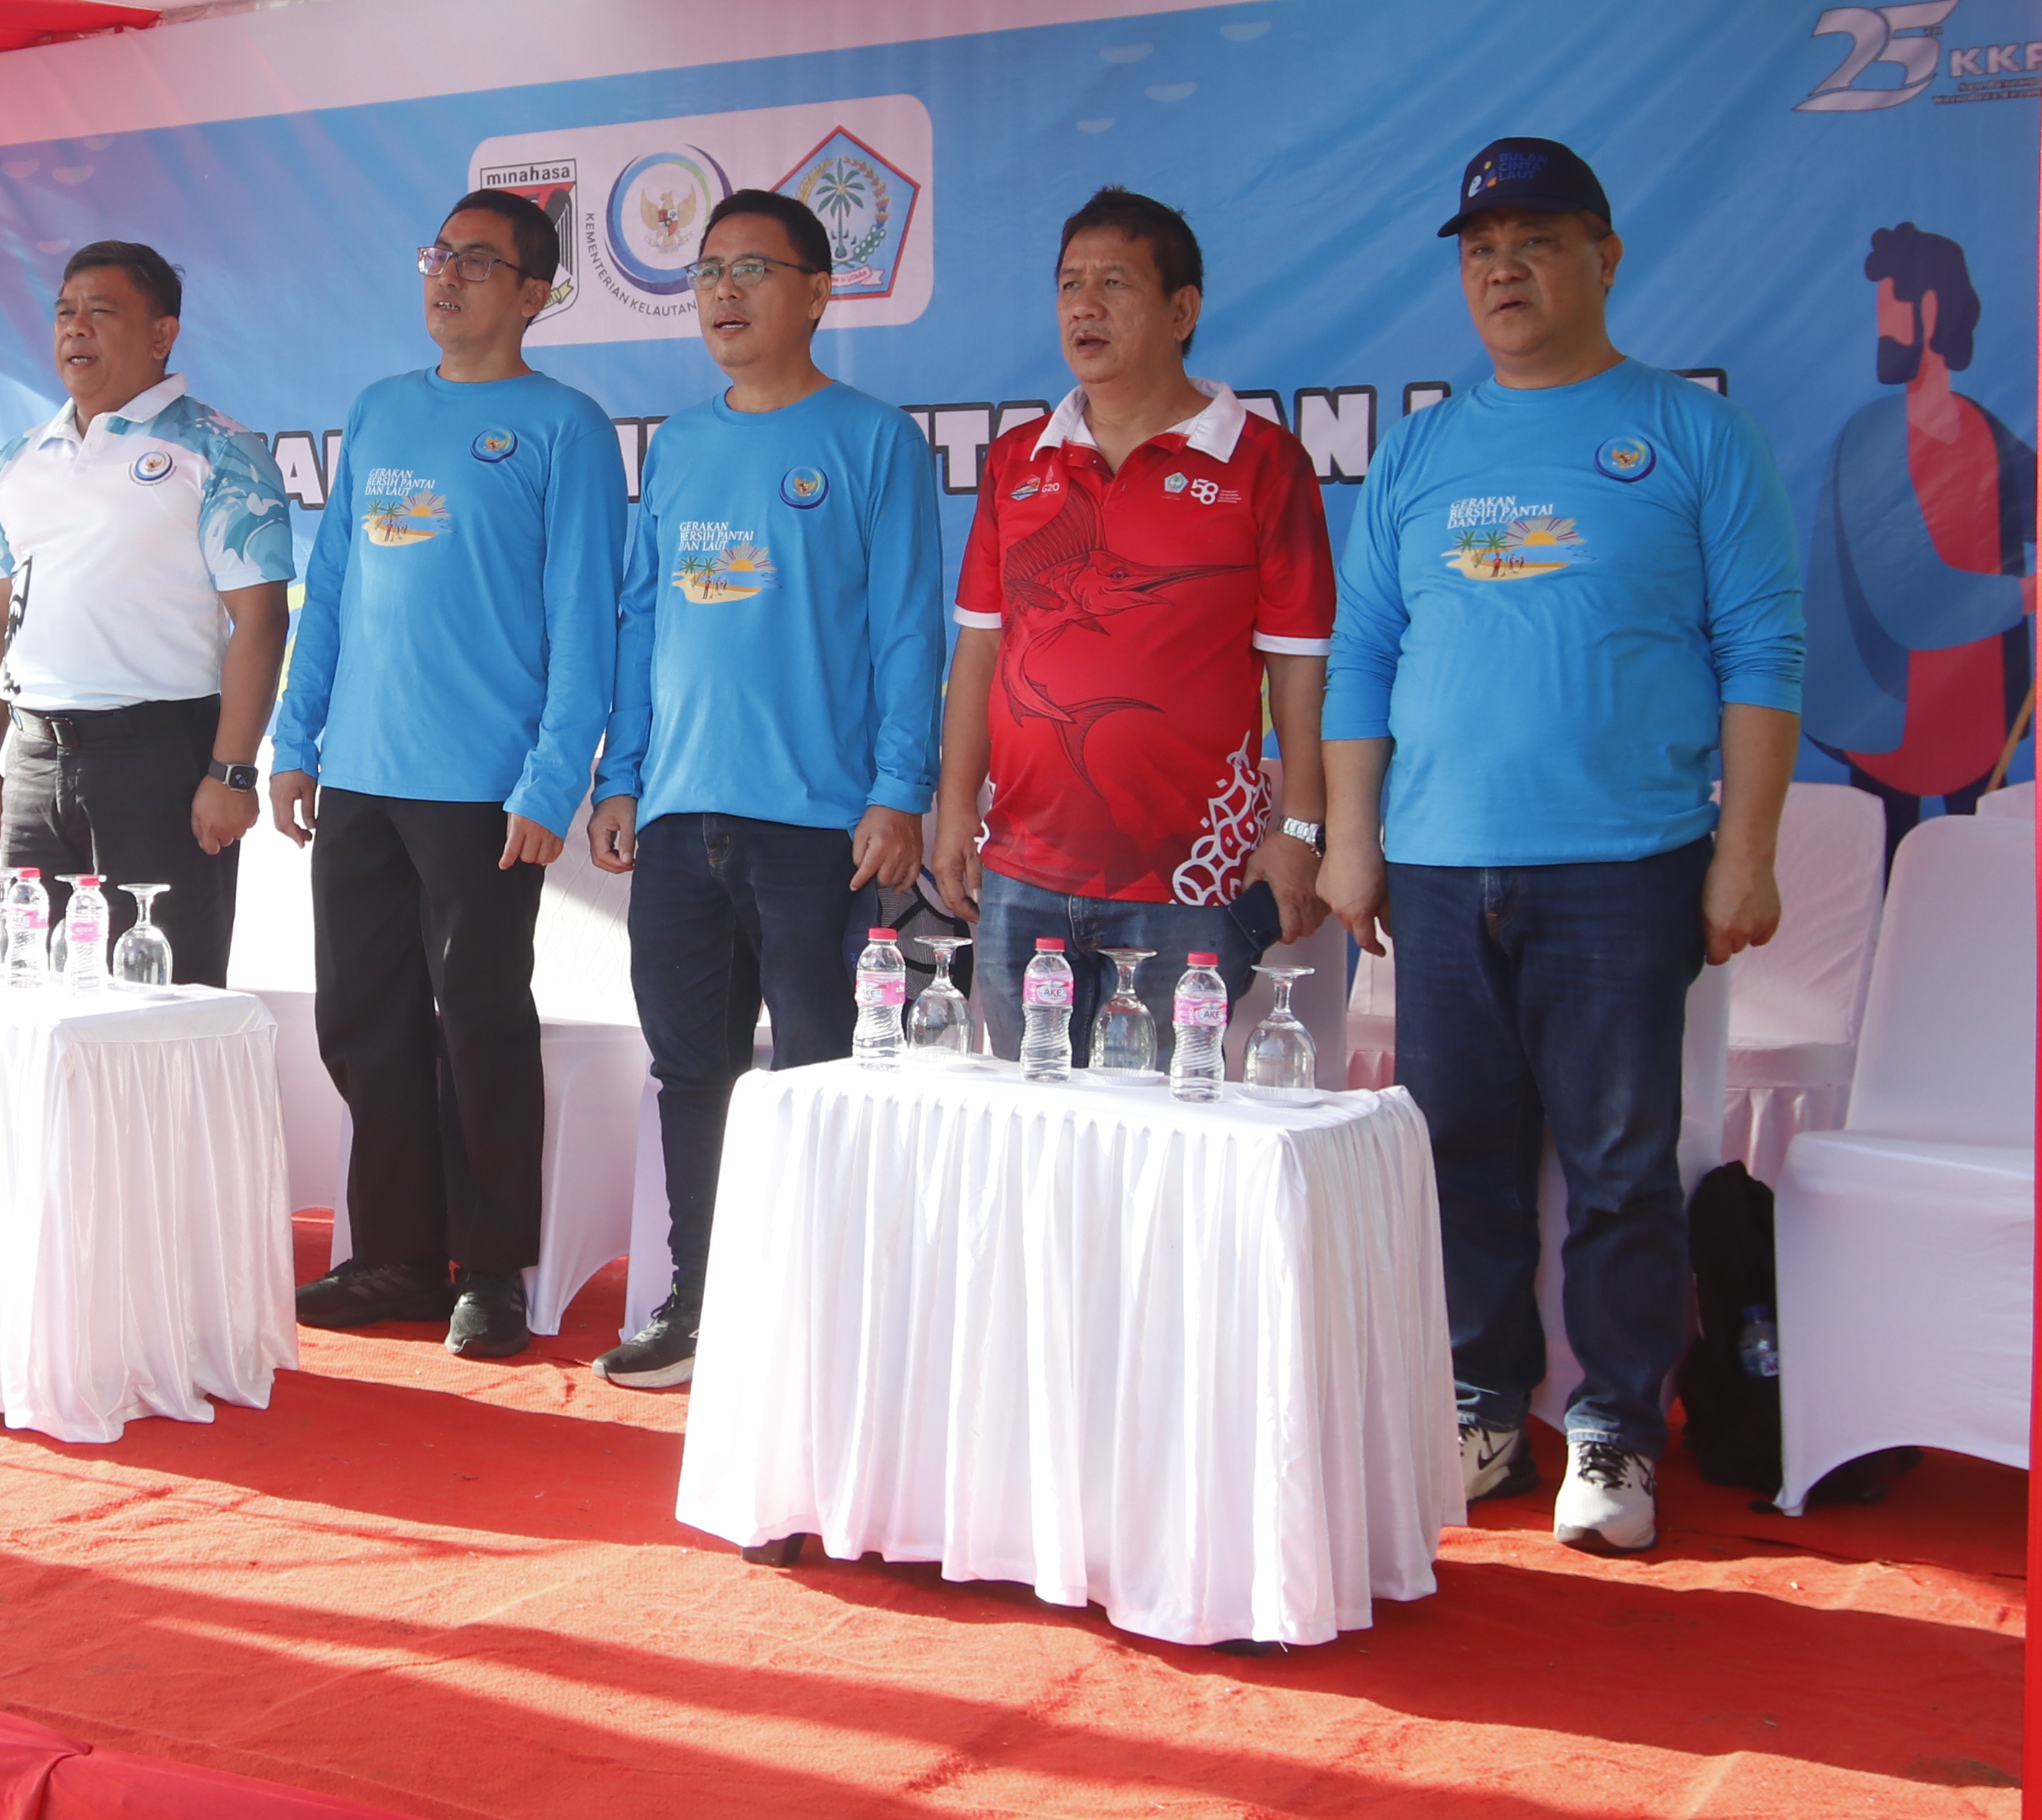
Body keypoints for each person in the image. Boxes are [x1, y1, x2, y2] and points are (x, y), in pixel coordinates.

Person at [1319, 137, 1802, 1558]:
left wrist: (1747, 851)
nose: (1502, 271)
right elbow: (1362, 657)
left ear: (1606, 256)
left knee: (1617, 1159)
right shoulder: (1419, 448)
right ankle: (1482, 1400)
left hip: (1629, 862)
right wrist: (1353, 839)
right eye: (1479, 251)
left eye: (1533, 243)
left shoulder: (1692, 433)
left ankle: (1615, 1431)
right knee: (1459, 1155)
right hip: (1441, 865)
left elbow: (1764, 649)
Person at [583, 189, 943, 1390]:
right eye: (706, 274)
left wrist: (900, 792)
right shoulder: (680, 445)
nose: (724, 294)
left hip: (818, 827)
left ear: (819, 291)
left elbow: (907, 631)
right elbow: (642, 624)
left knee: (820, 1073)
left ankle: (823, 1319)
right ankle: (702, 1304)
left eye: (752, 269)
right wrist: (623, 774)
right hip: (682, 818)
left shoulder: (874, 440)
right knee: (693, 1073)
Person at [269, 190, 624, 1361]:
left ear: (534, 295)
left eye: (480, 263)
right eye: (440, 256)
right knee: (364, 1025)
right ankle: (397, 1259)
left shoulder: (562, 426)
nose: (449, 278)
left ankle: (493, 1270)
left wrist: (549, 779)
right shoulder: (379, 411)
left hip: (482, 790)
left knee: (479, 1025)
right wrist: (294, 740)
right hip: (361, 779)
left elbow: (587, 623)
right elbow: (332, 596)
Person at [937, 188, 1332, 1058]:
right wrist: (955, 808)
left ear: (1182, 309)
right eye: (1070, 283)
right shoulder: (1018, 461)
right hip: (1022, 870)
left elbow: (1302, 669)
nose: (1084, 304)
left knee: (1163, 1147)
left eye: (1114, 282)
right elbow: (980, 649)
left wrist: (1301, 832)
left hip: (1189, 879)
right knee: (1028, 1143)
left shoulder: (1264, 462)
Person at [0, 242, 295, 989]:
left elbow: (262, 620)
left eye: (101, 311)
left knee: (161, 1002)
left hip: (159, 762)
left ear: (161, 334)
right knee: (31, 994)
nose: (75, 328)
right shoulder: (17, 460)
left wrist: (232, 772)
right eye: (65, 312)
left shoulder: (218, 449)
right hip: (31, 761)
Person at [1802, 223, 2033, 854]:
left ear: (1931, 309)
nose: (1882, 330)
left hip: (1982, 715)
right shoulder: (1872, 439)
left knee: (1986, 877)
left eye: (1890, 312)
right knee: (1883, 884)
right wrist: (2031, 593)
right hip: (1889, 719)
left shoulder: (1983, 428)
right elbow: (1907, 598)